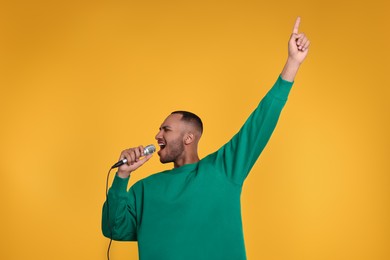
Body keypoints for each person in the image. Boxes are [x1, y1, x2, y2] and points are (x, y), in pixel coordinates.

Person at [102, 17, 310, 260]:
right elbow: (113, 228)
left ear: (189, 137)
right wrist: (122, 176)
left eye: (166, 129)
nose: (157, 135)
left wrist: (292, 63)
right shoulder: (144, 189)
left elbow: (260, 122)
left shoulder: (223, 169)